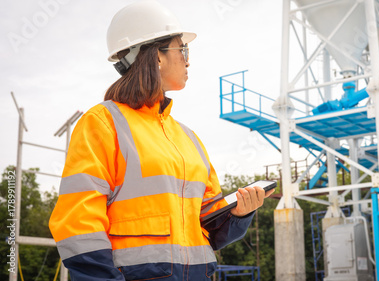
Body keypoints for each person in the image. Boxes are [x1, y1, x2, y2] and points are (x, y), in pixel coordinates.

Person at [48, 1, 274, 280]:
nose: (188, 59)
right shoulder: (103, 123)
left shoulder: (189, 138)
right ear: (156, 55)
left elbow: (207, 229)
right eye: (183, 49)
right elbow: (79, 227)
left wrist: (238, 214)